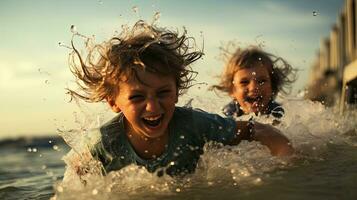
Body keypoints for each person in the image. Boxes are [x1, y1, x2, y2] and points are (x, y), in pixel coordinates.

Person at [66, 21, 294, 178]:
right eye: (137, 96)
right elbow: (75, 182)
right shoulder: (103, 143)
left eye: (163, 93)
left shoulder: (194, 125)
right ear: (113, 102)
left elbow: (257, 131)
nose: (153, 106)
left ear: (177, 91)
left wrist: (286, 166)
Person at [211, 47, 296, 120]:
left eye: (261, 81)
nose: (253, 87)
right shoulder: (227, 116)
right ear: (232, 90)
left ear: (272, 86)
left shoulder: (280, 115)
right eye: (244, 82)